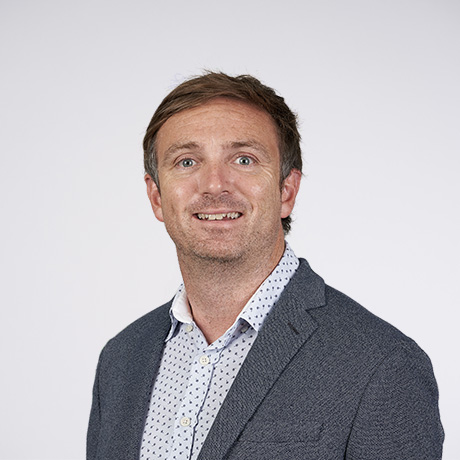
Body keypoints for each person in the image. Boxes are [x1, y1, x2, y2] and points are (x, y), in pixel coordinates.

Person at [87, 72, 444, 460]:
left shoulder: (382, 365)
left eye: (244, 159)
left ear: (286, 190)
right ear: (157, 196)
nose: (214, 184)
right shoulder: (121, 360)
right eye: (186, 161)